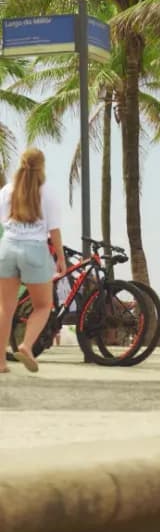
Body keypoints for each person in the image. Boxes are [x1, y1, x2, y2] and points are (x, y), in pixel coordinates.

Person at [0, 148, 65, 375]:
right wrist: (60, 259)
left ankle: (0, 363)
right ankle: (26, 345)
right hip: (35, 251)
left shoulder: (7, 190)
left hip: (7, 248)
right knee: (43, 305)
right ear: (42, 166)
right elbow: (54, 231)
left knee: (5, 308)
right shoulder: (48, 192)